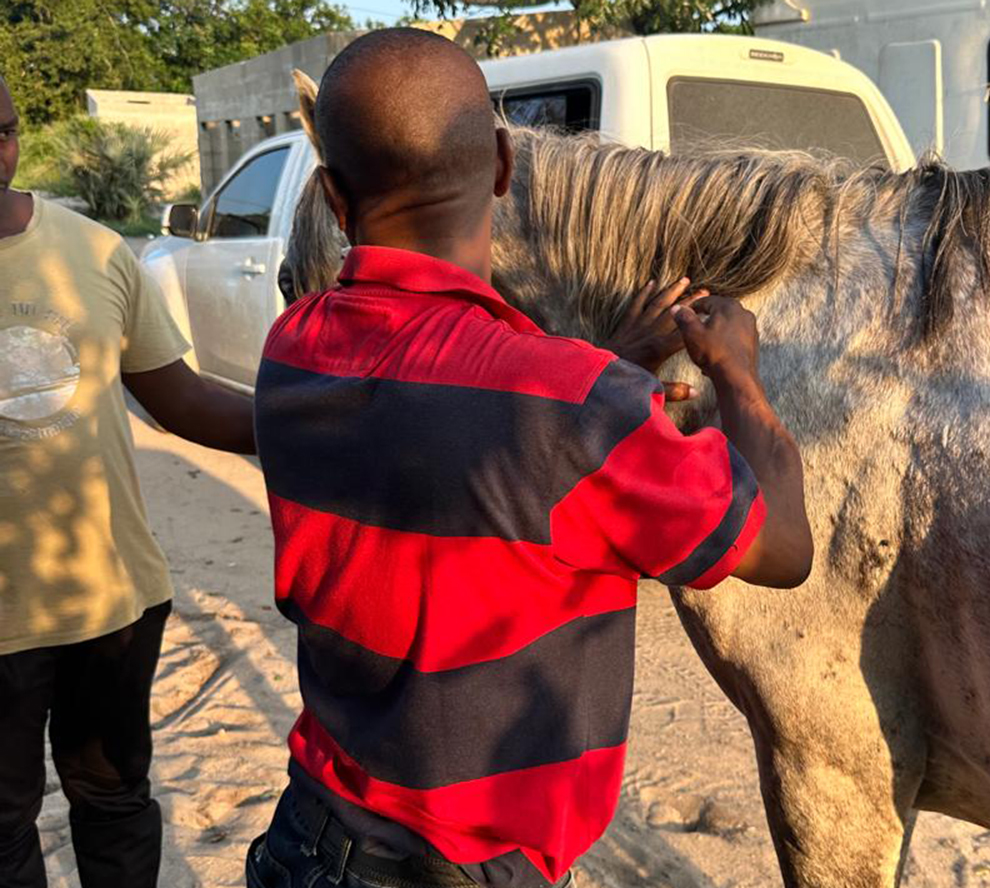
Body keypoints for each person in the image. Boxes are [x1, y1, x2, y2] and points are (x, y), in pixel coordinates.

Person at [249, 27, 813, 888]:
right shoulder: (571, 408)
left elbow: (448, 417)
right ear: (506, 168)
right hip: (462, 869)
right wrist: (740, 377)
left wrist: (604, 364)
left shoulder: (293, 348)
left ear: (331, 197)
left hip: (308, 837)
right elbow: (783, 551)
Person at [0, 73, 256, 888]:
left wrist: (311, 418)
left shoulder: (94, 252)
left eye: (3, 130)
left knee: (112, 797)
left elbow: (180, 399)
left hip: (112, 598)